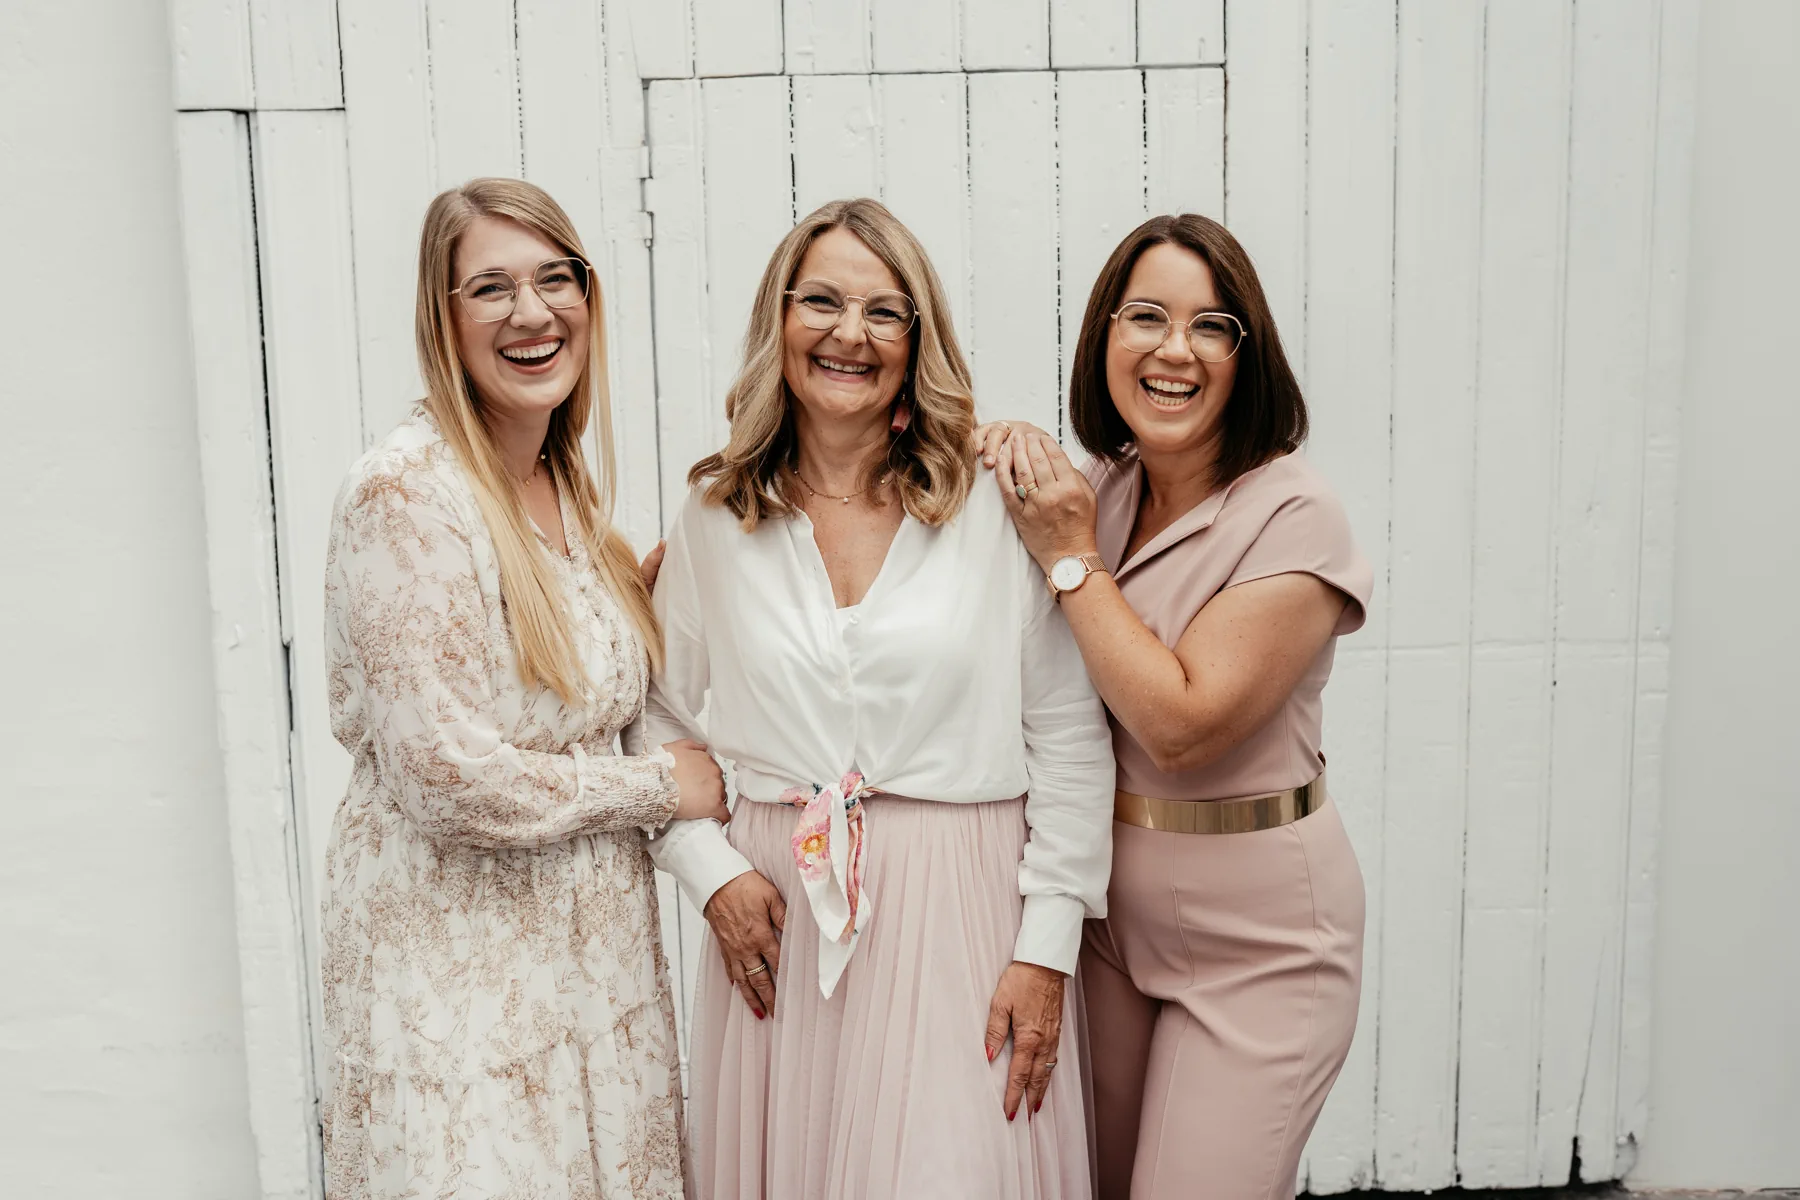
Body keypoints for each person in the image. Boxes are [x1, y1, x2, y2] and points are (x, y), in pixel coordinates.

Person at [644, 197, 1115, 1199]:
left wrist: (1048, 947)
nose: (849, 333)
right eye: (821, 301)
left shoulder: (995, 502)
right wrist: (708, 870)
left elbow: (1070, 734)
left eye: (884, 311)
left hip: (965, 911)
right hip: (779, 918)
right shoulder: (715, 514)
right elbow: (657, 714)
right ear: (780, 319)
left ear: (916, 339)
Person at [318, 178, 728, 1200]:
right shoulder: (406, 493)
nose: (532, 313)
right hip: (461, 983)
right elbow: (443, 775)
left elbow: (572, 692)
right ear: (443, 316)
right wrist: (659, 788)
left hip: (591, 975)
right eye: (492, 288)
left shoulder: (562, 487)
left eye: (555, 279)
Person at [976, 213, 1372, 1200]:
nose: (1174, 349)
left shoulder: (1294, 514)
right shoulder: (1101, 490)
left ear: (1248, 354)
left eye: (1210, 326)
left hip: (1261, 944)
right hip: (1109, 924)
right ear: (1106, 338)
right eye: (1146, 316)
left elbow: (1182, 727)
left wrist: (1071, 558)